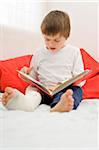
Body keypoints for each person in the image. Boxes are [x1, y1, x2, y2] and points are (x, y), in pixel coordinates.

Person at [1, 10, 84, 112]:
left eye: (56, 40)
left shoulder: (74, 52)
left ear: (66, 36)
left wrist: (74, 81)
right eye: (47, 39)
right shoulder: (39, 53)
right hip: (43, 91)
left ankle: (60, 105)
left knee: (76, 91)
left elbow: (79, 78)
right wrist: (25, 74)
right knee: (32, 91)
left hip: (63, 91)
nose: (51, 44)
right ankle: (25, 104)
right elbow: (33, 78)